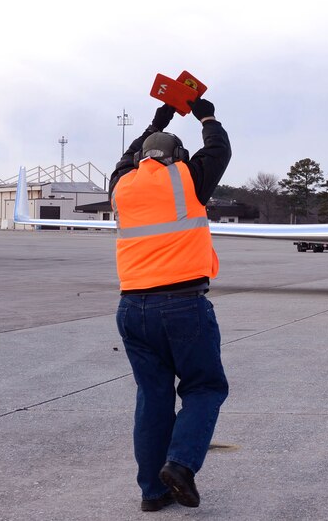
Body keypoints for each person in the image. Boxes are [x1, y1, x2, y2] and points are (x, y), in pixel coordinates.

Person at [110, 98, 231, 512]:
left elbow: (128, 157)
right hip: (182, 304)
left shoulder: (121, 184)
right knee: (204, 387)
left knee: (153, 395)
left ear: (142, 157)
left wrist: (158, 119)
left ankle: (153, 493)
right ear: (179, 156)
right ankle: (179, 465)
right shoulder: (188, 178)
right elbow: (218, 150)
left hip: (132, 309)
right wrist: (206, 116)